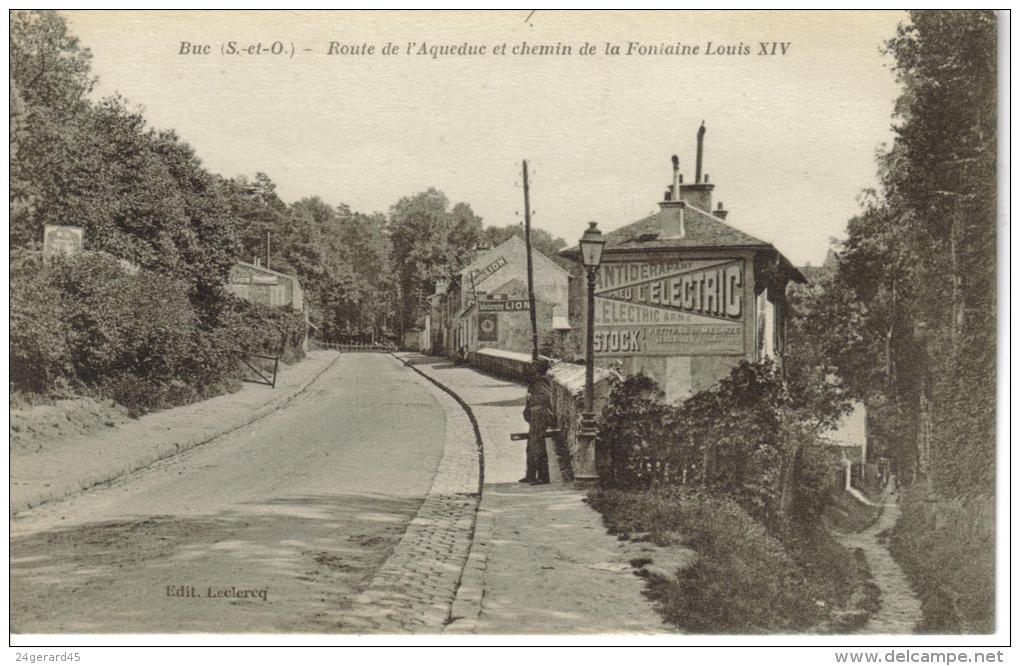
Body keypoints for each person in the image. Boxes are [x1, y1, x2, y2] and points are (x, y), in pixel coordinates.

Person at [521, 359, 554, 485]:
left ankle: (543, 477)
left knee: (538, 446)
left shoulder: (542, 381)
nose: (531, 369)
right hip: (536, 416)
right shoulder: (537, 381)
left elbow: (544, 399)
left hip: (540, 416)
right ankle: (530, 475)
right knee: (531, 446)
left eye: (534, 367)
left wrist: (531, 401)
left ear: (539, 369)